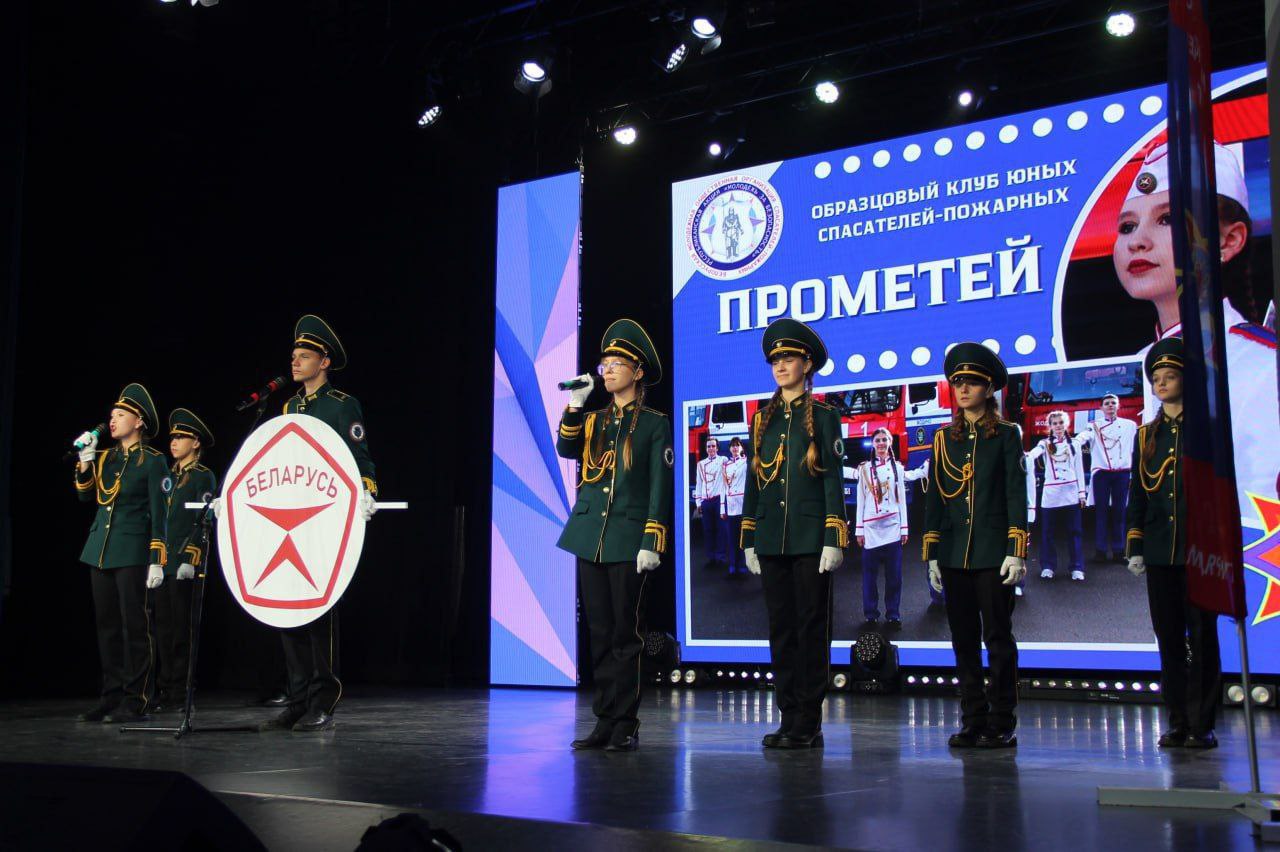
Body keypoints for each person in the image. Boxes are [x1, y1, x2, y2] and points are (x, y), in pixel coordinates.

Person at [1114, 140, 1278, 520]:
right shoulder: (1135, 366)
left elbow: (1263, 528)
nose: (1137, 241)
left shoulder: (1265, 367)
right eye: (1127, 226)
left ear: (1228, 240)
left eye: (1167, 219)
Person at [250, 314, 378, 733]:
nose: (295, 362)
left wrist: (366, 489)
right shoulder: (289, 407)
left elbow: (359, 455)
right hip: (288, 519)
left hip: (323, 520)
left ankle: (322, 698)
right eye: (294, 356)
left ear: (324, 362)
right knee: (287, 609)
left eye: (303, 356)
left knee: (317, 611)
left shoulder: (341, 405)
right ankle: (298, 698)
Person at [556, 319, 672, 752]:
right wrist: (575, 404)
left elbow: (659, 486)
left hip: (628, 538)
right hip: (591, 537)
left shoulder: (654, 424)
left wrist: (652, 538)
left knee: (627, 634)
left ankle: (625, 722)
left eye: (617, 364)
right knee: (600, 632)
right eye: (604, 363)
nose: (607, 371)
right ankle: (604, 720)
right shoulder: (594, 420)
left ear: (638, 372)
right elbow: (566, 449)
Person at [740, 318, 848, 749]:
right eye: (775, 361)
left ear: (807, 364)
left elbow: (832, 479)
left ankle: (808, 719)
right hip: (772, 537)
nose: (781, 366)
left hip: (809, 538)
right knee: (781, 629)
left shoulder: (824, 416)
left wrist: (834, 536)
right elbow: (754, 482)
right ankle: (787, 716)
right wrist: (749, 537)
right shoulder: (761, 420)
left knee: (810, 628)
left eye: (788, 359)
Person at [923, 342, 1028, 749]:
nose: (963, 389)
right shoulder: (943, 439)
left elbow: (1015, 493)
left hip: (992, 552)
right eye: (958, 383)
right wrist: (933, 553)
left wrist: (1016, 548)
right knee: (963, 641)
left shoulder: (1006, 435)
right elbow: (936, 499)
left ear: (989, 388)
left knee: (998, 639)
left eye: (972, 382)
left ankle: (1001, 720)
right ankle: (972, 718)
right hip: (954, 553)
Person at [1125, 339, 1220, 749]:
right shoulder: (1147, 435)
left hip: (1200, 551)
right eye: (1157, 378)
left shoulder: (1207, 428)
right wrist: (1136, 544)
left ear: (1186, 380)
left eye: (1170, 376)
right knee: (1168, 637)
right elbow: (1138, 492)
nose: (1162, 384)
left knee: (1201, 638)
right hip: (1161, 549)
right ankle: (1178, 719)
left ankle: (1202, 722)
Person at [73, 383, 169, 723]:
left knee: (135, 626)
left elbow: (160, 512)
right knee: (107, 628)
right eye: (112, 415)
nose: (112, 420)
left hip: (132, 551)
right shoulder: (107, 458)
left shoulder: (153, 461)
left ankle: (137, 697)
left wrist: (157, 560)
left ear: (138, 421)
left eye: (121, 415)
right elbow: (87, 497)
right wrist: (85, 463)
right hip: (100, 549)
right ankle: (110, 696)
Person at [151, 408, 218, 712]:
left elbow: (203, 520)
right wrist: (154, 559)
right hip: (164, 562)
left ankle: (182, 692)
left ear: (196, 442)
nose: (174, 442)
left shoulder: (203, 476)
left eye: (181, 437)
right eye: (173, 437)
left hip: (184, 563)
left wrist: (191, 557)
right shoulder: (167, 475)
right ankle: (165, 689)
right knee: (163, 630)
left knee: (182, 631)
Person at [1073, 394, 1137, 563]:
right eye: (1106, 403)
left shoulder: (1130, 425)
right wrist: (1072, 443)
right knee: (1101, 513)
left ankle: (1118, 551)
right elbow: (1082, 437)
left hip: (1122, 473)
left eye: (1113, 403)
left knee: (1120, 513)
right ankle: (1100, 551)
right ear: (1101, 408)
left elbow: (1136, 447)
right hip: (1102, 474)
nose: (1110, 406)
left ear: (1118, 406)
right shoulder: (1093, 426)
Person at [856, 428, 909, 629]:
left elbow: (901, 499)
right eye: (877, 440)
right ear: (873, 443)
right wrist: (859, 530)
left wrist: (904, 528)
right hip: (871, 529)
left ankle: (893, 614)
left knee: (894, 577)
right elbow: (861, 500)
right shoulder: (864, 469)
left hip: (893, 528)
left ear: (890, 443)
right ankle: (870, 614)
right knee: (869, 577)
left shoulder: (898, 468)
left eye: (884, 439)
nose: (881, 443)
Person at [1026, 410, 1087, 581]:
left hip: (1071, 492)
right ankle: (1047, 566)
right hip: (1051, 494)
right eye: (1054, 423)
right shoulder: (1044, 443)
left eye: (1061, 423)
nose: (1058, 426)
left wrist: (1082, 493)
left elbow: (1079, 469)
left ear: (1066, 424)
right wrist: (1026, 456)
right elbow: (1034, 453)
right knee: (1047, 532)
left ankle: (1077, 567)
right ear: (1050, 426)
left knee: (1074, 531)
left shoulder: (1074, 444)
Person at [693, 437, 729, 572]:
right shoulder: (701, 464)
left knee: (721, 529)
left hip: (719, 499)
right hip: (706, 501)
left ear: (717, 448)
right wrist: (698, 502)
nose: (711, 448)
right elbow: (699, 483)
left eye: (713, 446)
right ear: (706, 448)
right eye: (709, 446)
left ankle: (721, 558)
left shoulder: (723, 460)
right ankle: (711, 557)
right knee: (708, 530)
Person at [722, 437, 749, 575]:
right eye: (732, 446)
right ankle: (733, 565)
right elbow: (723, 488)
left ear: (741, 448)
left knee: (743, 538)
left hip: (743, 504)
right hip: (731, 506)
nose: (735, 448)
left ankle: (743, 565)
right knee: (732, 538)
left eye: (737, 445)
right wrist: (722, 508)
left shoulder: (746, 463)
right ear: (729, 449)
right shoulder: (725, 465)